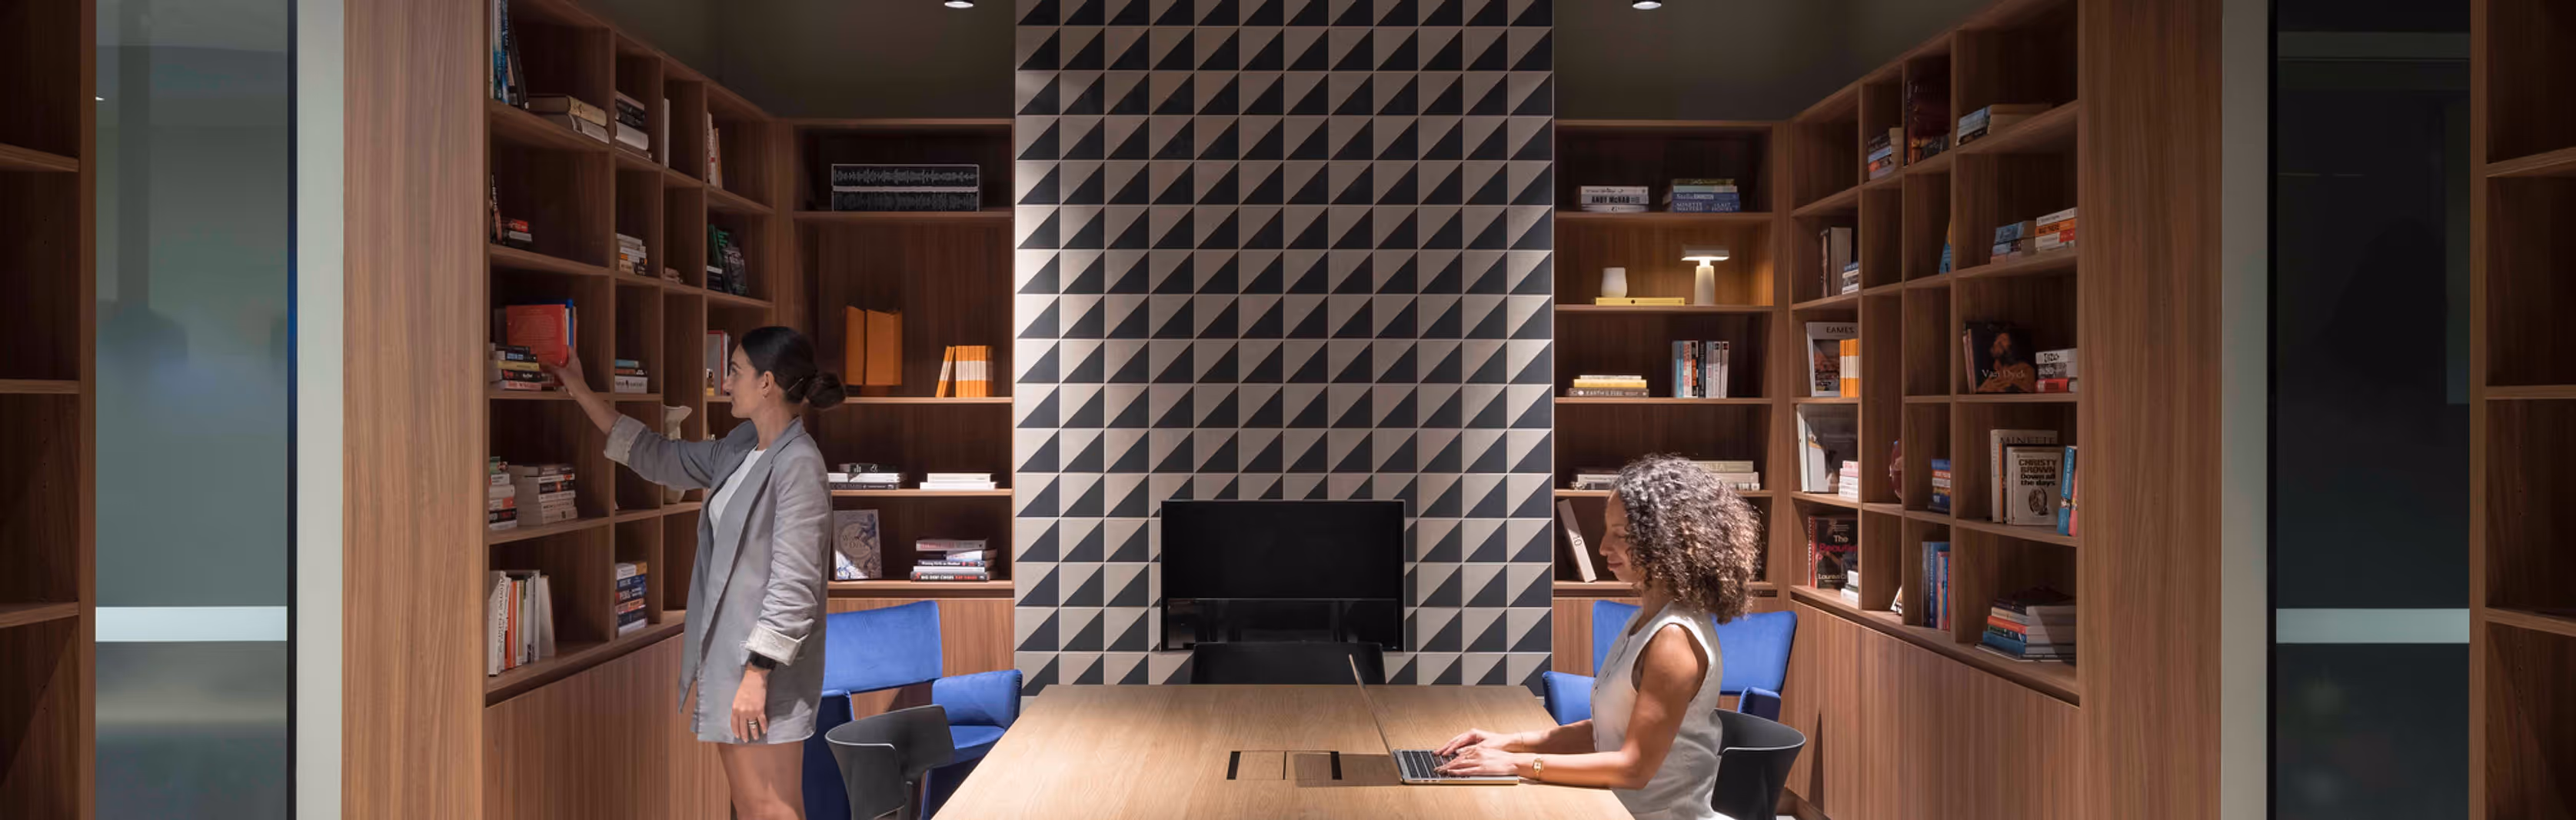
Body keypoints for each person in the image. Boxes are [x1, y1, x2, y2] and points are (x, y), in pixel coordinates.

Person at [546, 326, 844, 820]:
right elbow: (661, 456)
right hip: (732, 662)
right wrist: (578, 388)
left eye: (735, 371)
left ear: (767, 382)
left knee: (769, 808)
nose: (726, 383)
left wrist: (756, 675)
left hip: (759, 671)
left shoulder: (799, 467)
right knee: (755, 807)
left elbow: (796, 584)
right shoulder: (741, 448)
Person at [1433, 454, 1763, 820]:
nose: (1603, 547)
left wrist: (1518, 764)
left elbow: (1633, 768)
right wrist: (1507, 743)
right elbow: (1612, 731)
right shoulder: (1646, 620)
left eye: (1620, 536)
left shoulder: (1673, 639)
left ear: (1667, 541)